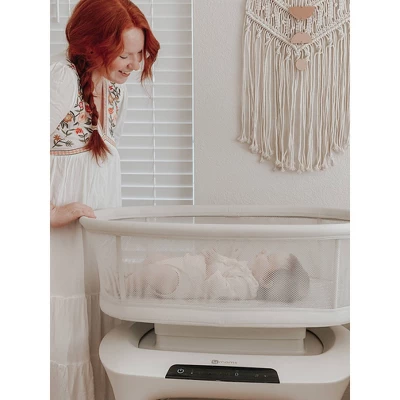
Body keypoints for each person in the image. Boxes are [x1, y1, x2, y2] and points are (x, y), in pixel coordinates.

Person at [50, 1, 160, 399]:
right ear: (93, 46)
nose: (135, 64)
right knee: (65, 336)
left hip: (95, 240)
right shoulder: (61, 80)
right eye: (125, 54)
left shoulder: (115, 92)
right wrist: (49, 213)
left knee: (96, 332)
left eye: (139, 54)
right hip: (59, 247)